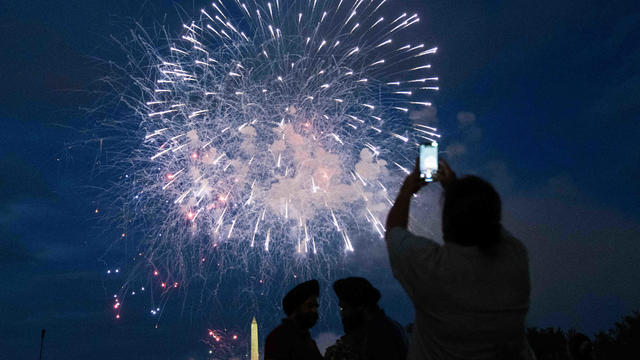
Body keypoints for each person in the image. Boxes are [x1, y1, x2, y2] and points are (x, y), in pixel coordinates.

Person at [385, 158, 535, 359]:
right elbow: (488, 221)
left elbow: (394, 230)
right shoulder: (515, 258)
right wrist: (454, 190)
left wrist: (407, 190)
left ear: (446, 222)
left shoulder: (432, 269)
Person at [325, 277, 408, 360]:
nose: (342, 314)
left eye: (343, 308)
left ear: (360, 306)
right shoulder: (388, 327)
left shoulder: (379, 334)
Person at [264, 279, 324, 360]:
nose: (314, 310)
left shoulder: (309, 341)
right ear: (296, 308)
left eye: (316, 306)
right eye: (309, 306)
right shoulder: (279, 339)